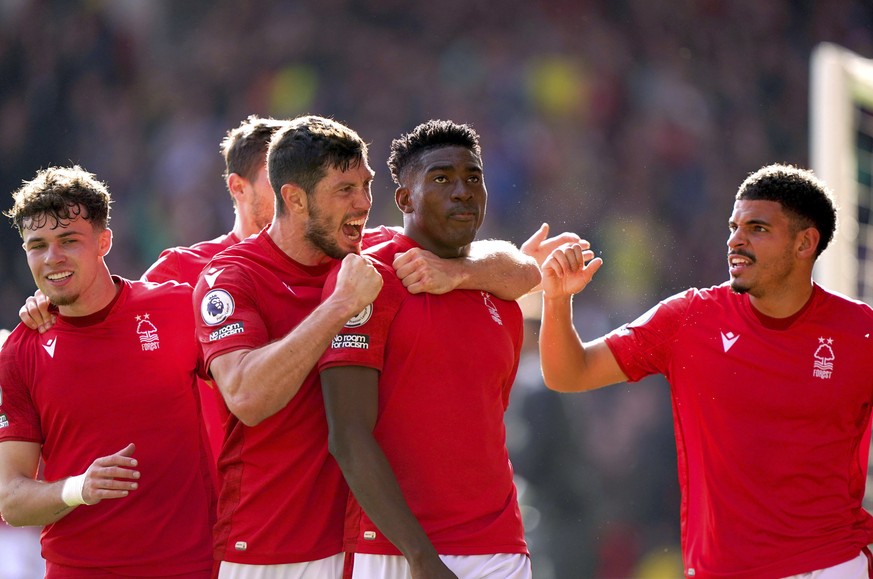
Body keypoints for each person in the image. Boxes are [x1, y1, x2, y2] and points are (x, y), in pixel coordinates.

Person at [193, 115, 546, 579]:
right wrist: (339, 305)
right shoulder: (233, 277)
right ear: (295, 199)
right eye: (345, 190)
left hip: (367, 543)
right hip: (271, 546)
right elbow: (247, 399)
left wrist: (459, 274)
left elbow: (518, 268)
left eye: (366, 185)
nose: (363, 204)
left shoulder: (372, 253)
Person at [539, 163, 873, 579]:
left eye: (758, 229)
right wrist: (556, 300)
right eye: (733, 226)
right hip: (724, 569)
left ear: (805, 243)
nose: (736, 240)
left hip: (833, 564)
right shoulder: (690, 319)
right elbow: (570, 373)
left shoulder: (862, 334)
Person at [319, 120, 534, 579]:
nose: (462, 191)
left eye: (473, 178)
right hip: (396, 552)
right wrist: (420, 556)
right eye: (441, 178)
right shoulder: (368, 278)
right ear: (404, 199)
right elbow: (348, 435)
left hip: (501, 550)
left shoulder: (499, 295)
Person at [0, 166, 216, 577]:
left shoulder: (177, 307)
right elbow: (11, 499)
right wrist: (80, 488)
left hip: (191, 566)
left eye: (68, 241)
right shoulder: (20, 352)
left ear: (104, 241)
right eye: (37, 245)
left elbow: (248, 391)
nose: (52, 258)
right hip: (79, 569)